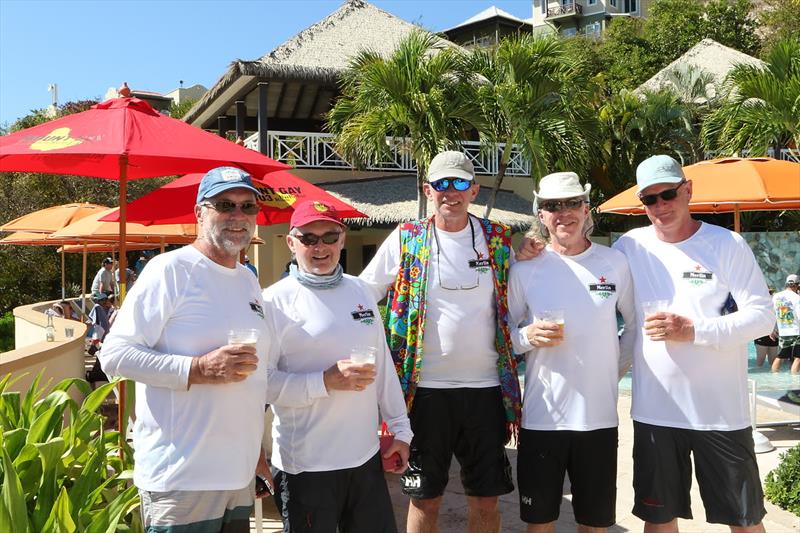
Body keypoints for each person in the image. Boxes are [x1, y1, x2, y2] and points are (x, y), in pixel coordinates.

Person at [99, 166, 270, 532]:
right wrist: (198, 368)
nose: (238, 216)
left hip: (236, 476)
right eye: (225, 205)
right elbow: (114, 355)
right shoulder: (170, 270)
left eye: (247, 206)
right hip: (182, 477)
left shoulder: (248, 280)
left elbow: (253, 379)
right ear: (199, 213)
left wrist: (255, 453)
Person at [360, 150, 521, 533]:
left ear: (474, 189)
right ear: (427, 190)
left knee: (486, 499)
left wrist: (534, 252)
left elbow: (523, 296)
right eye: (442, 184)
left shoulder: (497, 240)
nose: (451, 192)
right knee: (424, 498)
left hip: (485, 391)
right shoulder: (408, 237)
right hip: (424, 392)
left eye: (460, 183)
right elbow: (365, 292)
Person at [612, 155, 774, 533]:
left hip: (720, 414)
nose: (661, 206)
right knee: (659, 521)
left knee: (746, 521)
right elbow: (594, 288)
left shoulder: (725, 244)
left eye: (668, 194)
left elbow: (763, 316)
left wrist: (695, 330)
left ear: (688, 190)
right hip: (656, 414)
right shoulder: (629, 246)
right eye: (650, 199)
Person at [262, 200, 412, 532]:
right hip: (306, 466)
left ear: (342, 239)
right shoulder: (272, 301)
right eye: (308, 238)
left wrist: (401, 429)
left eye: (329, 237)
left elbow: (382, 366)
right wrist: (324, 381)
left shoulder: (361, 291)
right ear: (291, 242)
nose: (320, 247)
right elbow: (262, 384)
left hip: (364, 459)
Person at [508, 172, 636, 533]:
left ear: (586, 207)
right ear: (541, 214)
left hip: (598, 418)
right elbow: (503, 336)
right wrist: (528, 336)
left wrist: (614, 371)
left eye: (571, 203)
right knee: (539, 523)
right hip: (542, 418)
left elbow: (635, 326)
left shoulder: (614, 263)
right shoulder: (524, 270)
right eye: (552, 206)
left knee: (594, 524)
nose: (563, 213)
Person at [771, 274, 800, 373]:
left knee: (781, 356)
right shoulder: (797, 298)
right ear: (796, 285)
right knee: (798, 357)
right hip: (796, 331)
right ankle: (794, 381)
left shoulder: (776, 297)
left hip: (783, 331)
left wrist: (772, 329)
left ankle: (774, 377)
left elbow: (772, 314)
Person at [754, 289, 779, 368]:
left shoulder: (776, 303)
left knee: (772, 362)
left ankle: (772, 380)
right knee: (761, 362)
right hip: (762, 334)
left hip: (774, 334)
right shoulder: (758, 304)